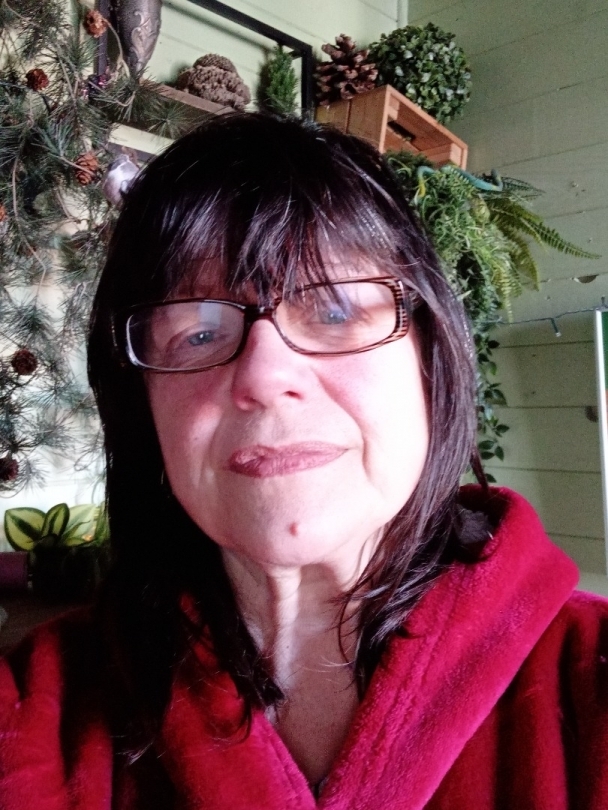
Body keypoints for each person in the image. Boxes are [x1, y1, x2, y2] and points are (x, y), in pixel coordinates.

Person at [0, 113, 607, 810]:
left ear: (430, 358)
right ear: (145, 409)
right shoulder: (32, 709)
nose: (264, 376)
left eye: (336, 308)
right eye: (197, 332)